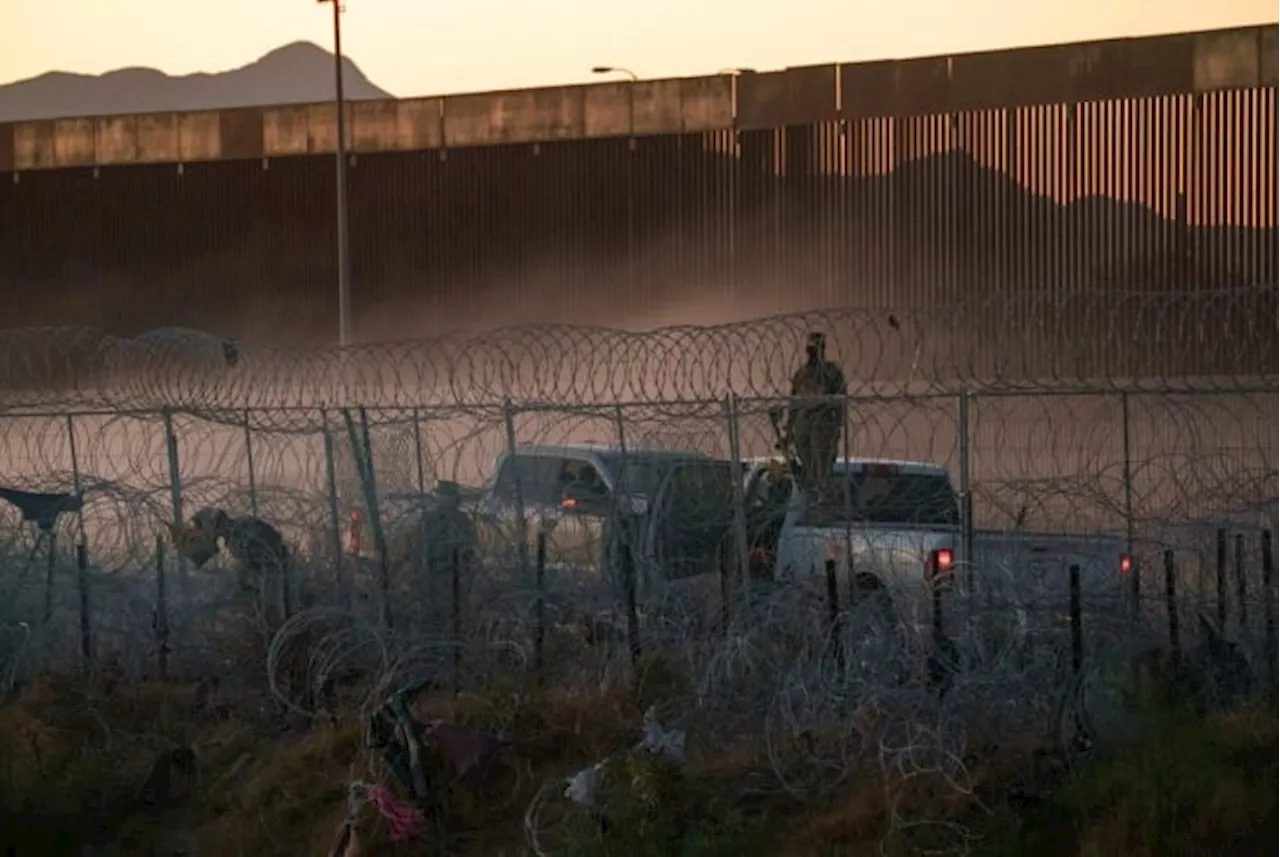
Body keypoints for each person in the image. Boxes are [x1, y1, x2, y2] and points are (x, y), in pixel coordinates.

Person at [786, 332, 847, 497]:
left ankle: (822, 494)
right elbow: (794, 402)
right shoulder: (801, 374)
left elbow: (840, 400)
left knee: (822, 465)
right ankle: (813, 491)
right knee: (807, 463)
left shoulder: (831, 372)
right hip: (803, 423)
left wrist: (837, 425)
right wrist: (788, 430)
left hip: (823, 422)